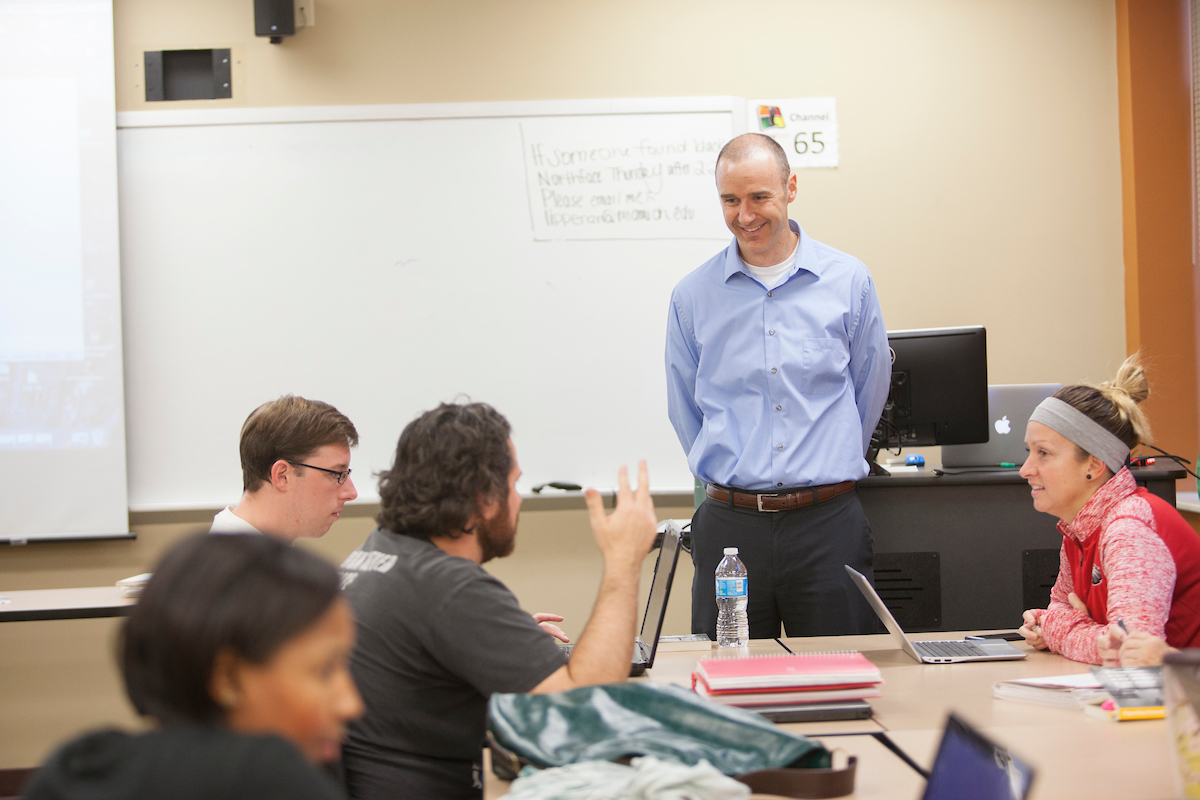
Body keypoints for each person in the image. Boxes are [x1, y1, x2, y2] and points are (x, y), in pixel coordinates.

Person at [340, 401, 658, 800]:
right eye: (513, 484)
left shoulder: (379, 552)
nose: (519, 499)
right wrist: (624, 559)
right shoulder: (449, 587)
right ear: (485, 501)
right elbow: (579, 718)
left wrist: (507, 642)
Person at [665, 132, 890, 640]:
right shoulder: (692, 296)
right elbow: (685, 409)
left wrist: (825, 466)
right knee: (730, 690)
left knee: (840, 683)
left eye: (759, 197)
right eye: (730, 200)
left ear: (790, 187)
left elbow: (868, 390)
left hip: (827, 522)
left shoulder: (848, 281)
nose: (745, 215)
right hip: (730, 527)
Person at [24, 533, 364, 799]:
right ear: (226, 678)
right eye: (325, 670)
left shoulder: (77, 765)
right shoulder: (270, 774)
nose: (351, 703)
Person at [1016, 355, 1200, 664]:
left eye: (1043, 453)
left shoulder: (1128, 530)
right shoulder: (1079, 528)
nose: (1025, 470)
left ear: (1094, 465)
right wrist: (1063, 623)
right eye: (1029, 452)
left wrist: (1058, 627)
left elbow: (1126, 652)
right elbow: (1059, 608)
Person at [210, 395, 359, 539]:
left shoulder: (258, 553)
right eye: (336, 474)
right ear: (282, 476)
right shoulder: (239, 562)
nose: (351, 493)